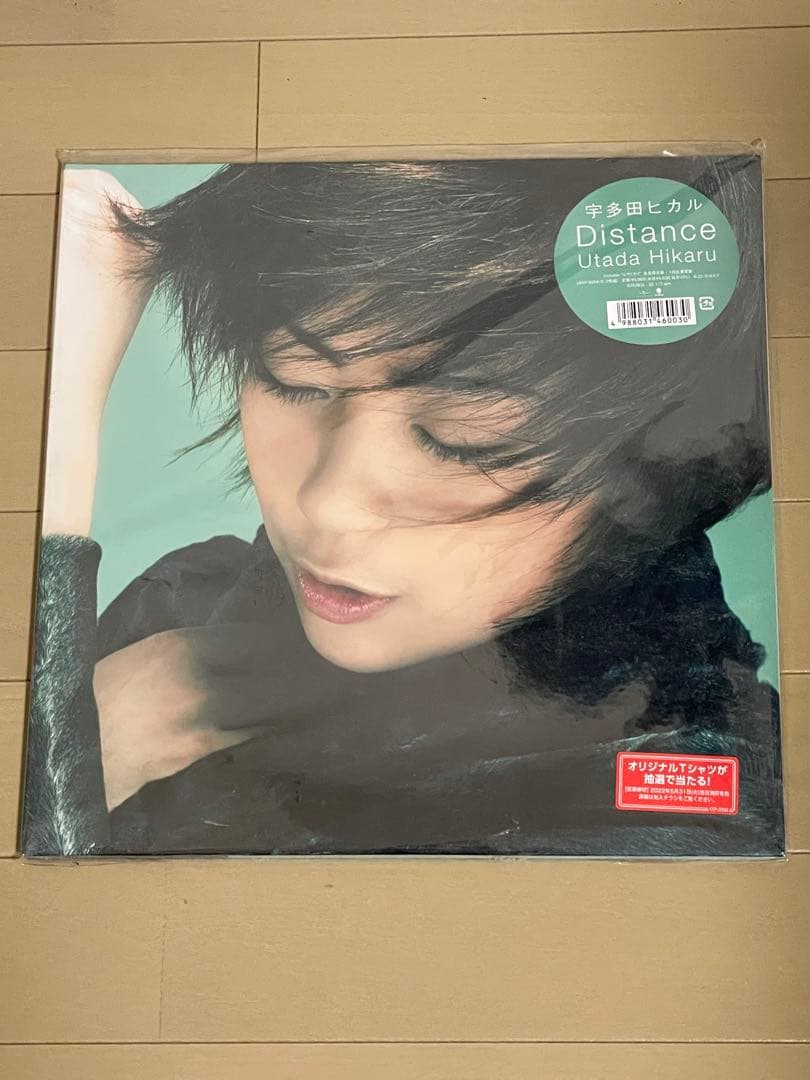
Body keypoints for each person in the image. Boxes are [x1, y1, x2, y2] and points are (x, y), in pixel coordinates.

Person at [23, 156, 783, 857]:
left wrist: (81, 756)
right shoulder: (181, 606)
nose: (327, 507)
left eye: (461, 441)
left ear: (649, 478)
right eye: (295, 380)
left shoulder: (692, 807)